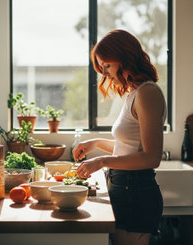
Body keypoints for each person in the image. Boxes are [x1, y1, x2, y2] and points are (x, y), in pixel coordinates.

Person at [72, 29, 166, 245]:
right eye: (101, 68)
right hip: (125, 187)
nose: (104, 74)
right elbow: (130, 147)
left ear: (123, 57)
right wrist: (95, 144)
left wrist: (101, 161)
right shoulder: (134, 93)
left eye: (106, 65)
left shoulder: (147, 93)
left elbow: (151, 157)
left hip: (136, 192)